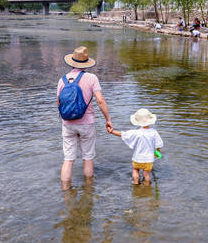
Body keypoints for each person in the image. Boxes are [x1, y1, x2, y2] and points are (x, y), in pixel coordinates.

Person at [57, 46, 113, 190]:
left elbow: (59, 102)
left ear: (71, 62)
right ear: (86, 63)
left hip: (68, 123)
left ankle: (66, 192)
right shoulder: (91, 78)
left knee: (68, 160)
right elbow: (100, 101)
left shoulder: (62, 80)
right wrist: (108, 119)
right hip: (86, 123)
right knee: (87, 157)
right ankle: (88, 192)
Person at [107, 108, 163, 185]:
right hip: (148, 159)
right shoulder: (154, 132)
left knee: (136, 170)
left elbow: (122, 134)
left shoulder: (136, 132)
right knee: (146, 174)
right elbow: (158, 144)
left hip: (137, 158)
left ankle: (136, 183)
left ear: (138, 122)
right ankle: (147, 187)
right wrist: (157, 152)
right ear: (150, 121)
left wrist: (112, 131)